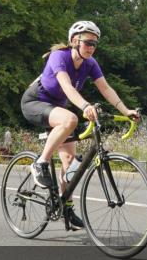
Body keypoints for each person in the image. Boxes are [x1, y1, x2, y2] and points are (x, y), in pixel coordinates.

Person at [20, 20, 139, 230]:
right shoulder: (60, 56)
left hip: (59, 108)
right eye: (88, 42)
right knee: (71, 119)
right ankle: (41, 163)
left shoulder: (90, 63)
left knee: (70, 165)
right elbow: (66, 86)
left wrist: (126, 110)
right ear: (75, 41)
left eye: (95, 44)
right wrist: (85, 106)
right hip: (35, 102)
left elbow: (105, 88)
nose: (91, 47)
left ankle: (66, 207)